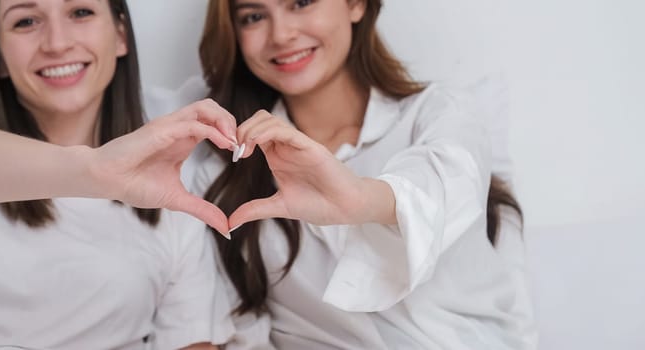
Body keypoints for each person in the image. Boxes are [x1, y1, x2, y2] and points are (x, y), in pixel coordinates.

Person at [0, 0, 237, 349]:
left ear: (120, 35)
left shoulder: (168, 192)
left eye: (80, 12)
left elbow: (191, 339)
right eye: (26, 21)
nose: (57, 43)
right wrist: (93, 169)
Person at [195, 0, 536, 348]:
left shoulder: (438, 114)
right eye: (254, 17)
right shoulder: (223, 176)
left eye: (301, 3)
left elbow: (443, 180)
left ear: (355, 4)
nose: (281, 35)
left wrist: (359, 198)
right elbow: (237, 327)